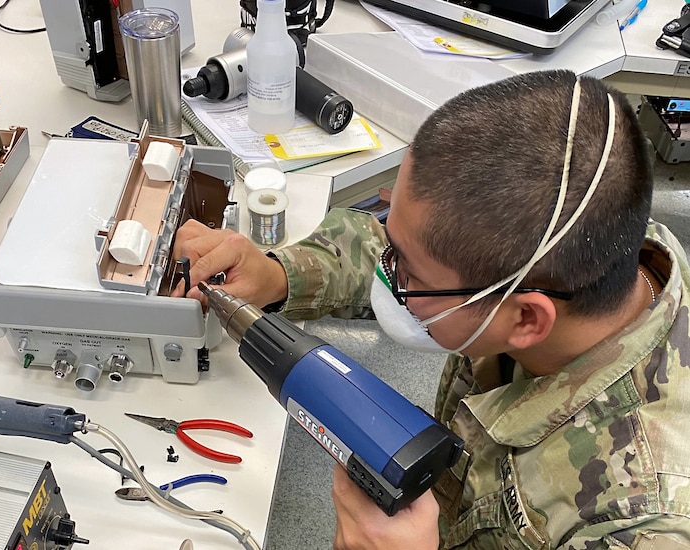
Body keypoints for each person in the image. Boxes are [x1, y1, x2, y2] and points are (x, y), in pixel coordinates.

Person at [173, 70, 690, 549]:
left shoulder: (641, 522)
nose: (385, 268)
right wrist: (279, 273)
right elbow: (424, 252)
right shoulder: (583, 240)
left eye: (407, 273)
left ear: (527, 319)